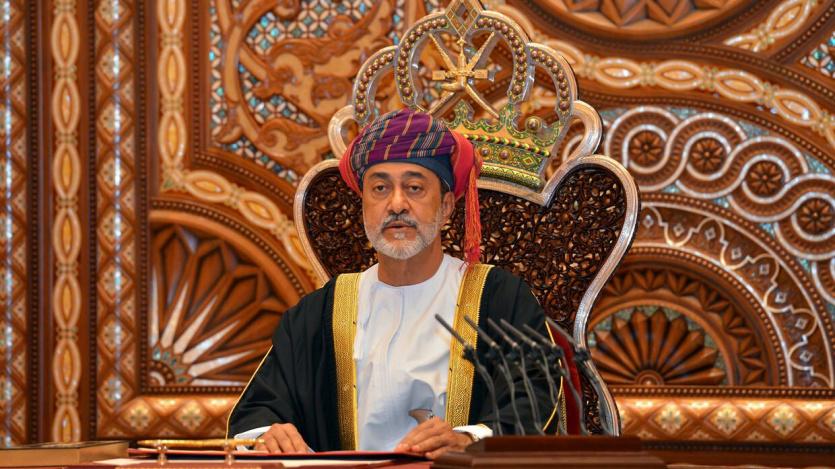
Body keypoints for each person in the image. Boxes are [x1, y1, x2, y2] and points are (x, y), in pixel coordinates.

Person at [227, 108, 553, 459]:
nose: (397, 204)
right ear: (364, 207)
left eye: (414, 188)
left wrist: (470, 441)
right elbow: (256, 415)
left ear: (446, 207)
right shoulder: (321, 313)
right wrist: (269, 436)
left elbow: (536, 397)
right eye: (380, 188)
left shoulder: (500, 300)